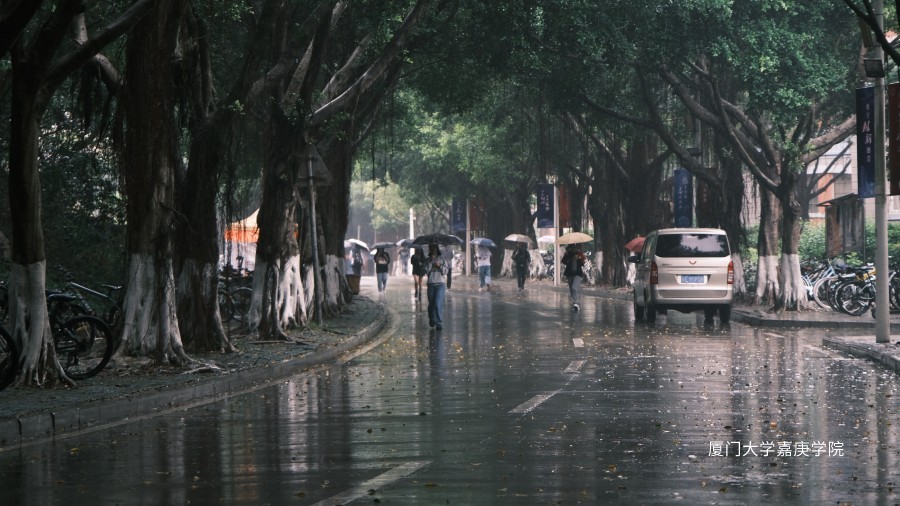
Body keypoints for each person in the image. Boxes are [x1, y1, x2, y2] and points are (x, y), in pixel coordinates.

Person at [426, 243, 450, 330]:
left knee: (437, 303)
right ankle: (432, 318)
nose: (433, 250)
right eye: (431, 248)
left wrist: (439, 266)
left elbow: (446, 271)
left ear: (437, 249)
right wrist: (430, 264)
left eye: (434, 248)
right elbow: (426, 271)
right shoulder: (427, 260)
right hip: (431, 284)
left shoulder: (442, 258)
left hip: (440, 284)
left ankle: (439, 322)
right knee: (431, 304)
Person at [561, 244, 586, 311]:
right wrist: (567, 256)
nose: (573, 249)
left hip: (578, 274)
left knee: (574, 287)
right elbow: (563, 261)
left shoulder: (579, 254)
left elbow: (582, 263)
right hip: (569, 274)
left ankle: (576, 303)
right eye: (572, 247)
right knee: (571, 289)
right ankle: (575, 303)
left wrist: (578, 258)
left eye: (574, 247)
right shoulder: (568, 254)